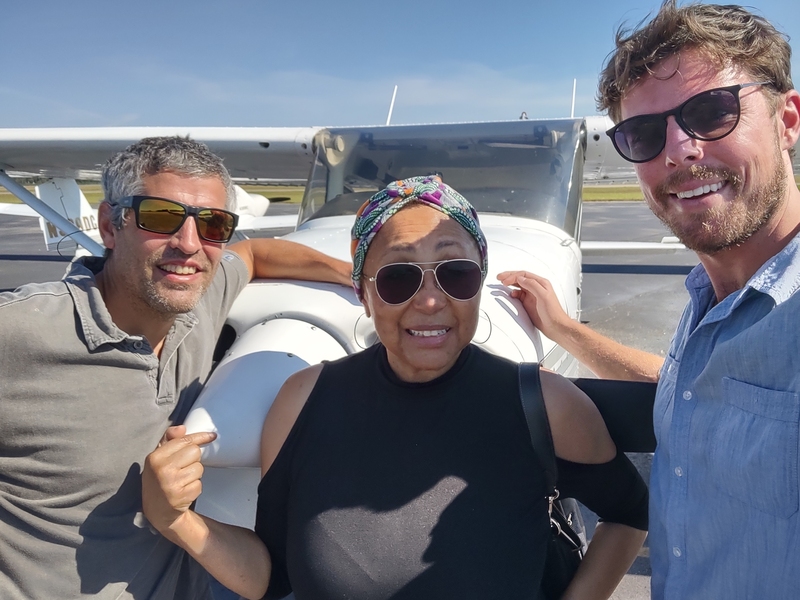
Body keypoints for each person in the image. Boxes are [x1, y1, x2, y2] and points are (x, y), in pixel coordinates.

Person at [143, 175, 648, 600]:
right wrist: (177, 520)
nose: (430, 301)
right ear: (364, 293)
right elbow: (273, 574)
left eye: (456, 274)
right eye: (398, 278)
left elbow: (628, 514)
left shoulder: (546, 403)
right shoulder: (302, 400)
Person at [500, 2, 800, 598]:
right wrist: (564, 330)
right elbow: (692, 393)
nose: (681, 150)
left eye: (713, 112)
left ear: (788, 120)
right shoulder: (713, 297)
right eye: (643, 133)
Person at [0, 136, 352, 599]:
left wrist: (357, 274)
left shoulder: (199, 296)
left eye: (214, 224)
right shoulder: (20, 330)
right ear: (110, 225)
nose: (189, 245)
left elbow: (252, 254)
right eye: (161, 217)